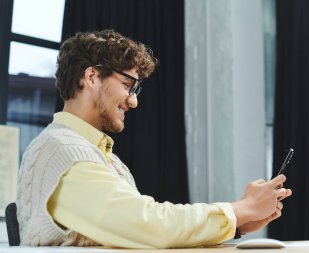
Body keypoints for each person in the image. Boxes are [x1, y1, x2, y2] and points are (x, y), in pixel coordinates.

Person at [16, 29, 292, 249]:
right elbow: (148, 225)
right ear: (91, 76)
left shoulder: (98, 156)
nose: (133, 102)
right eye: (127, 85)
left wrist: (237, 223)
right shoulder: (63, 152)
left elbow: (140, 232)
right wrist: (239, 210)